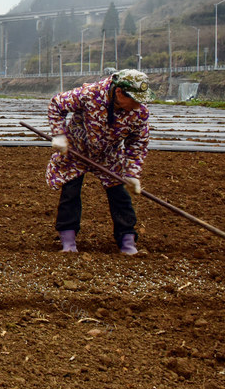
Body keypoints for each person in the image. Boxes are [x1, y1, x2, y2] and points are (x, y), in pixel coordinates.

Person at [47, 69, 152, 255]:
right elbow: (57, 104)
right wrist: (58, 134)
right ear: (119, 92)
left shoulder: (139, 113)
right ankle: (68, 242)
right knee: (70, 193)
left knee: (120, 195)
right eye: (134, 100)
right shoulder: (91, 94)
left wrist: (132, 174)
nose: (138, 105)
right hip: (76, 149)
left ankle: (127, 241)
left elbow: (137, 143)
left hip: (108, 155)